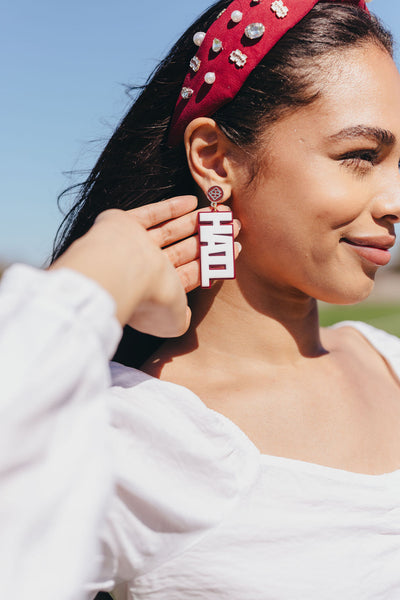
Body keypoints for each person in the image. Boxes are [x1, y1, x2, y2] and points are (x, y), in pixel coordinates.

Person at [10, 0, 400, 598]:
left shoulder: (389, 360)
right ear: (214, 158)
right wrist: (93, 281)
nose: (395, 199)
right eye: (360, 157)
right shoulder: (135, 432)